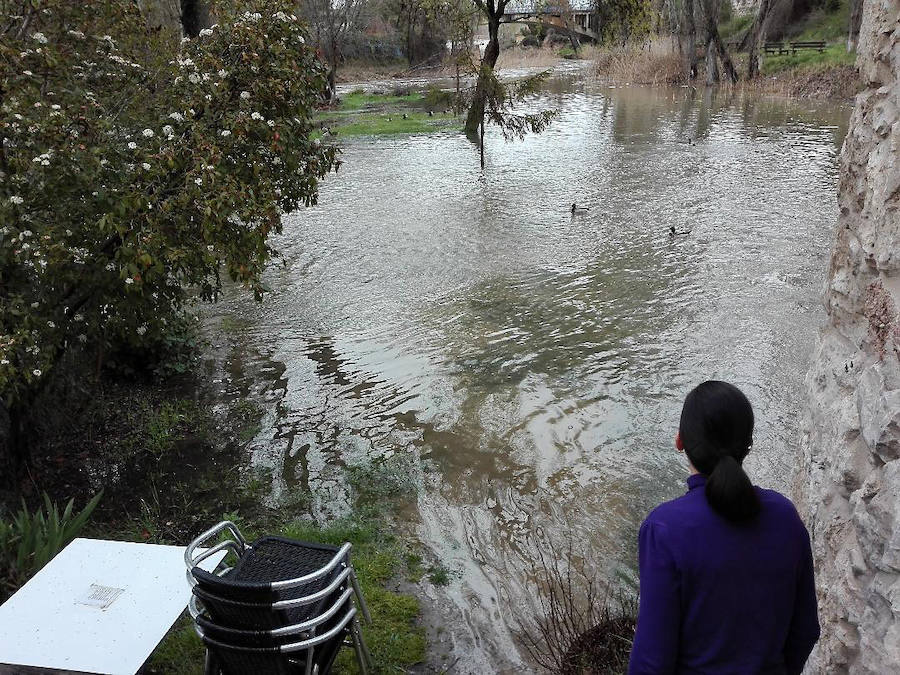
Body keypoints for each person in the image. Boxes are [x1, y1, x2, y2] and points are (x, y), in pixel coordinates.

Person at [629, 381, 820, 674]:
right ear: (748, 444)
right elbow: (805, 630)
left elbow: (652, 661)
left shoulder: (664, 529)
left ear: (680, 441)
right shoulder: (784, 516)